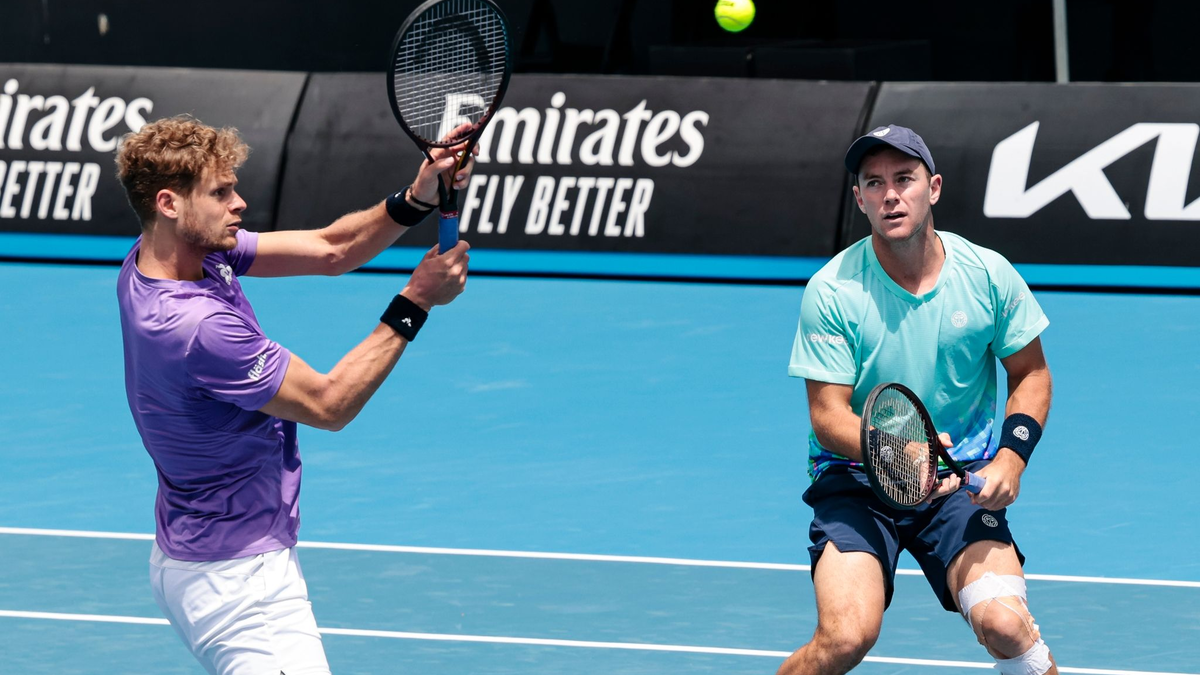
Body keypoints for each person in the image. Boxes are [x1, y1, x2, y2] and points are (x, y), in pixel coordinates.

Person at [115, 114, 472, 675]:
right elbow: (329, 403)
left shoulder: (163, 257)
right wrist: (416, 301)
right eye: (220, 192)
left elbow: (332, 249)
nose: (239, 203)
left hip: (198, 552)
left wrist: (417, 197)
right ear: (169, 203)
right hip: (239, 585)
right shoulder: (197, 328)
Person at [778, 125, 1057, 675]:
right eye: (874, 183)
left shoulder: (987, 274)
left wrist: (1012, 457)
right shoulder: (832, 290)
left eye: (903, 179)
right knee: (845, 638)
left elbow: (1031, 374)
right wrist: (892, 450)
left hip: (958, 483)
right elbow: (827, 415)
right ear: (859, 199)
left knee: (1007, 626)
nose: (890, 195)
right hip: (857, 481)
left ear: (933, 188)